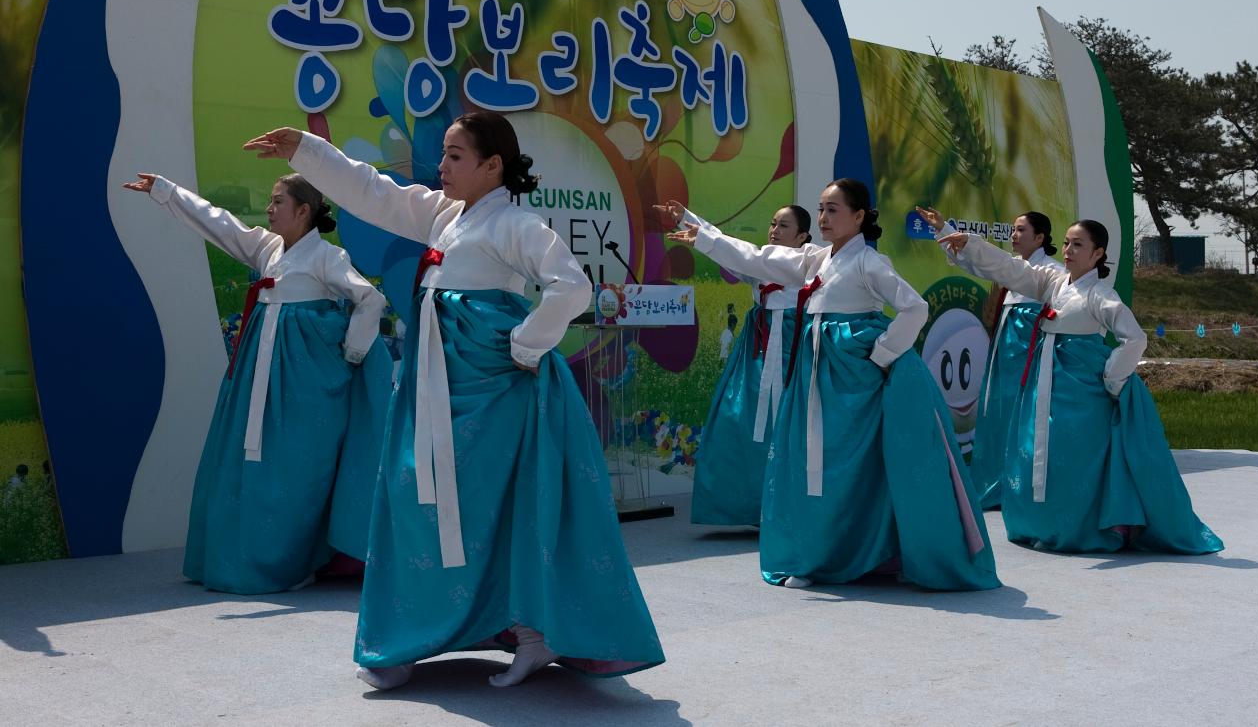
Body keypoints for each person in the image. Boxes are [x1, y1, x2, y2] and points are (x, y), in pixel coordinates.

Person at [244, 111, 664, 691]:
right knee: (418, 498)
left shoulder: (514, 224)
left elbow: (572, 285)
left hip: (494, 395)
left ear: (493, 166)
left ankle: (531, 636)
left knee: (498, 509)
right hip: (437, 389)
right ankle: (412, 637)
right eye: (442, 154)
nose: (440, 166)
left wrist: (525, 344)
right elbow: (375, 192)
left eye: (455, 156)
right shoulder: (445, 214)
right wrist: (308, 151)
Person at [665, 180, 999, 591]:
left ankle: (854, 552)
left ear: (859, 216)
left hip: (854, 381)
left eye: (833, 210)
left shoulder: (870, 263)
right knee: (812, 464)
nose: (823, 218)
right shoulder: (815, 259)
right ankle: (816, 554)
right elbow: (758, 257)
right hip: (817, 374)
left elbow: (915, 308)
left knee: (850, 468)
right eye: (821, 209)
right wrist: (702, 235)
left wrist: (881, 354)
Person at [123, 171, 391, 593]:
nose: (269, 209)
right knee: (247, 462)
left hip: (305, 381)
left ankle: (295, 559)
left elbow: (371, 299)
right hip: (258, 370)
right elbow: (220, 224)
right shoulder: (267, 248)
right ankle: (245, 558)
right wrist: (166, 191)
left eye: (278, 201)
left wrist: (353, 350)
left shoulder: (327, 258)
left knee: (298, 468)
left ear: (304, 211)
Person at [936, 221, 1223, 554]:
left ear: (1098, 253)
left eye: (1078, 245)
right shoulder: (1054, 282)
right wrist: (970, 243)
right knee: (1034, 452)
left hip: (1081, 393)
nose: (1069, 252)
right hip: (1044, 387)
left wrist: (1113, 378)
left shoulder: (1101, 295)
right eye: (1068, 244)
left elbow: (1135, 338)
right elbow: (1011, 269)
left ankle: (1083, 527)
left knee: (1073, 461)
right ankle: (1043, 523)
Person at [659, 203, 815, 527]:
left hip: (793, 350)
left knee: (792, 427)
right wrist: (688, 218)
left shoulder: (805, 263)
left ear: (802, 236)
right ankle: (748, 507)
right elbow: (731, 252)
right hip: (756, 352)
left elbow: (741, 254)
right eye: (773, 223)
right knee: (737, 424)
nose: (774, 230)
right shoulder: (760, 261)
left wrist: (698, 231)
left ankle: (789, 507)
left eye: (783, 226)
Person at [915, 208, 1066, 509]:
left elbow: (991, 262)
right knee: (998, 413)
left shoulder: (1051, 272)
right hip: (1006, 350)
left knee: (1024, 415)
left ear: (1040, 237)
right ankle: (998, 480)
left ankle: (1023, 482)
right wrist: (944, 229)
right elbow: (980, 265)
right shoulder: (1014, 269)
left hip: (1028, 353)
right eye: (1012, 229)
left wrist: (967, 241)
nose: (1014, 235)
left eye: (1021, 230)